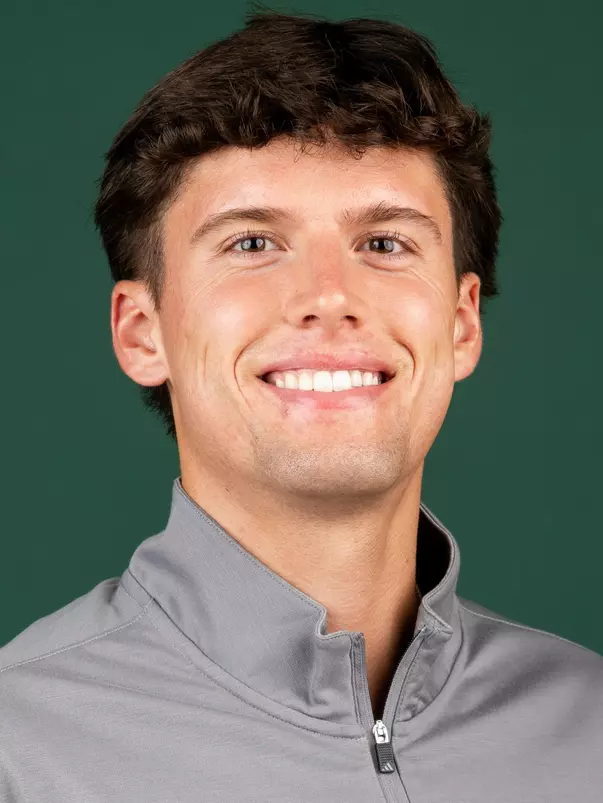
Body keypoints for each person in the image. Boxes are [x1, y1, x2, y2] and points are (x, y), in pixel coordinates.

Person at [1, 8, 601, 802]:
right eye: (252, 243)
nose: (327, 297)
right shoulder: (19, 745)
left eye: (384, 243)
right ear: (142, 331)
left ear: (461, 324)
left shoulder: (588, 723)